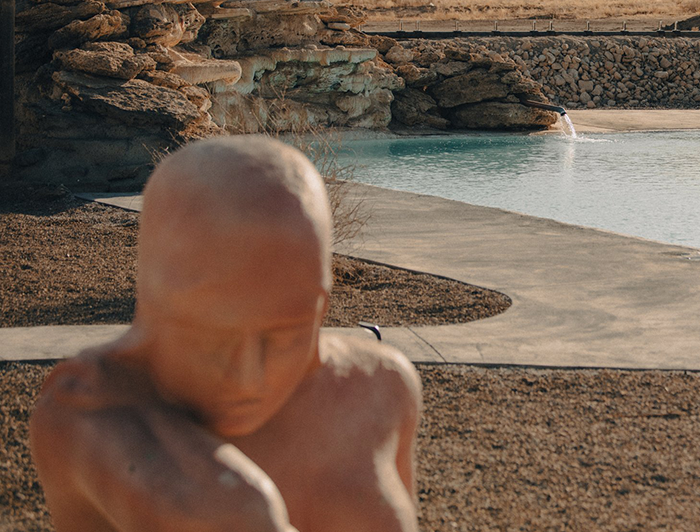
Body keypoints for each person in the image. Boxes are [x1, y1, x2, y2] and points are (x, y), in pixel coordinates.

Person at [30, 136, 421, 532]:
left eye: (285, 336)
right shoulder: (85, 415)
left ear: (322, 304)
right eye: (208, 339)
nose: (248, 379)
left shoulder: (381, 388)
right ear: (151, 309)